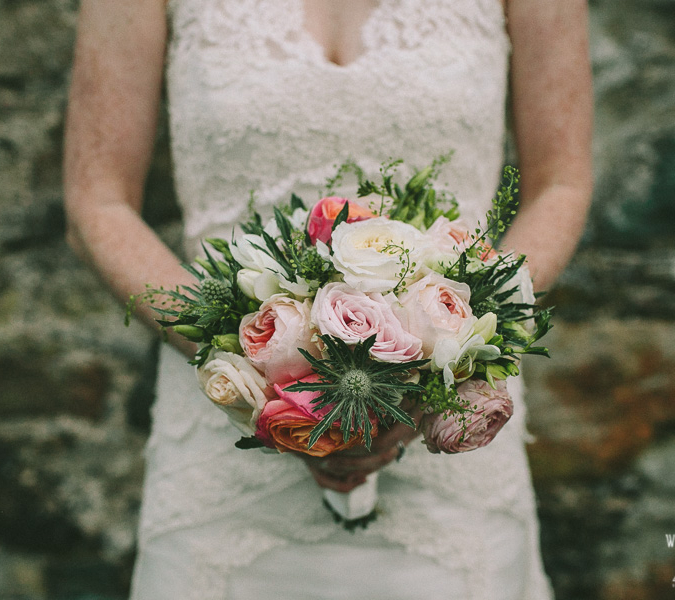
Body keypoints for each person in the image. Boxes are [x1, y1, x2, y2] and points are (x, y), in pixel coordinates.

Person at [63, 1, 592, 598]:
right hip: (227, 442)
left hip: (449, 436)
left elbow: (561, 185)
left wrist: (439, 372)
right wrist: (254, 370)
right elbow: (98, 203)